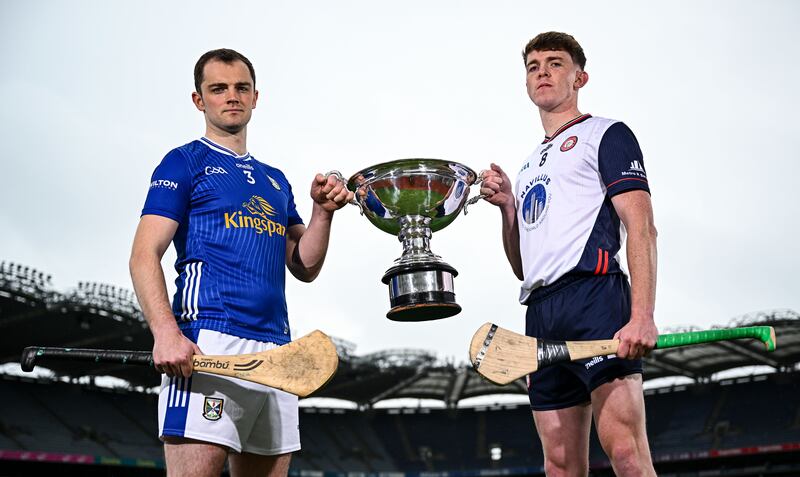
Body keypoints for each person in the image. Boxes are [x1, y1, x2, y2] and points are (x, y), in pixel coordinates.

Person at [129, 48, 353, 477]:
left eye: (241, 88)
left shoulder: (275, 179)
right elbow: (143, 255)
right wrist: (165, 333)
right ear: (200, 100)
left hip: (277, 350)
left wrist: (322, 212)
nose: (231, 96)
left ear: (255, 97)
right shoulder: (183, 162)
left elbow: (304, 266)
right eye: (218, 89)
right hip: (209, 342)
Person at [481, 32, 658, 476]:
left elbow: (642, 226)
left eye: (555, 63)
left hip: (595, 299)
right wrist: (507, 209)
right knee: (559, 464)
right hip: (540, 314)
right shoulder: (525, 167)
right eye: (533, 65)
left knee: (625, 452)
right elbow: (524, 264)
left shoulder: (606, 134)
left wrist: (642, 315)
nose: (542, 71)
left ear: (580, 77)